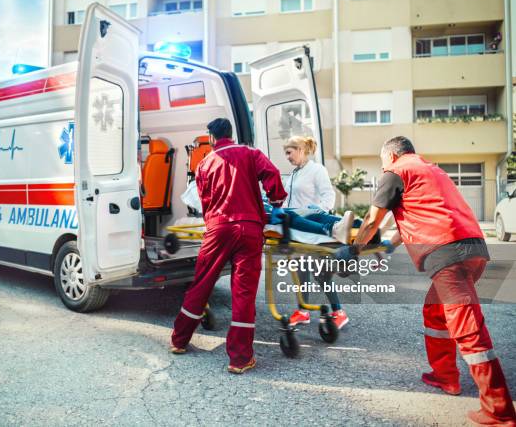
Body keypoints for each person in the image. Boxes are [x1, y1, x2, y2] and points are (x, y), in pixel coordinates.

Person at [350, 136, 516, 426]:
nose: (382, 167)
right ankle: (445, 376)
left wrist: (354, 250)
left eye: (381, 161)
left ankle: (499, 411)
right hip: (472, 249)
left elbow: (372, 220)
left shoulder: (395, 172)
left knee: (469, 331)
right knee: (435, 312)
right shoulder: (430, 171)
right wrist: (386, 247)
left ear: (391, 155)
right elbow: (414, 218)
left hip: (447, 254)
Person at [170, 118, 287, 374]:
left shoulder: (204, 164)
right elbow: (272, 175)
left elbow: (205, 200)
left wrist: (214, 220)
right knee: (243, 292)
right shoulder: (250, 153)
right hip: (250, 227)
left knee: (202, 283)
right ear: (230, 134)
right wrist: (276, 199)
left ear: (211, 137)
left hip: (219, 228)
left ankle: (179, 341)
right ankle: (240, 359)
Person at [280, 135, 353, 330]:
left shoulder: (317, 170)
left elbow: (328, 196)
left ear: (301, 150)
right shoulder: (294, 173)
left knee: (321, 274)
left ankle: (338, 312)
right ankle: (303, 311)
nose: (287, 157)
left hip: (313, 227)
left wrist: (317, 211)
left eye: (289, 152)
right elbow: (289, 201)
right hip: (298, 230)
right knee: (300, 272)